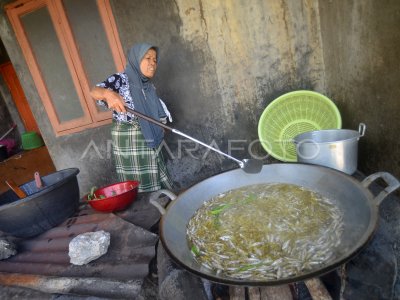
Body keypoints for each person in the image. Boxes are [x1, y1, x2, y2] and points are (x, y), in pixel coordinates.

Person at [90, 43, 173, 192]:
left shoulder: (148, 86)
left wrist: (161, 125)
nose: (153, 63)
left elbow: (155, 109)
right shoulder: (121, 79)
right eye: (148, 58)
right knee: (139, 186)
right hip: (130, 142)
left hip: (151, 138)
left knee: (157, 178)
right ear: (136, 59)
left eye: (155, 59)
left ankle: (162, 205)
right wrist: (109, 94)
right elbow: (94, 91)